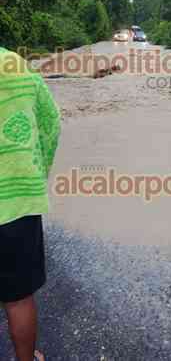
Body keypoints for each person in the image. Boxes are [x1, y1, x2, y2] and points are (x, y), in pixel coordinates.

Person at [0, 46, 61, 361]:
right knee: (18, 299)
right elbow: (51, 123)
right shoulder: (16, 66)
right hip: (16, 203)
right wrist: (37, 174)